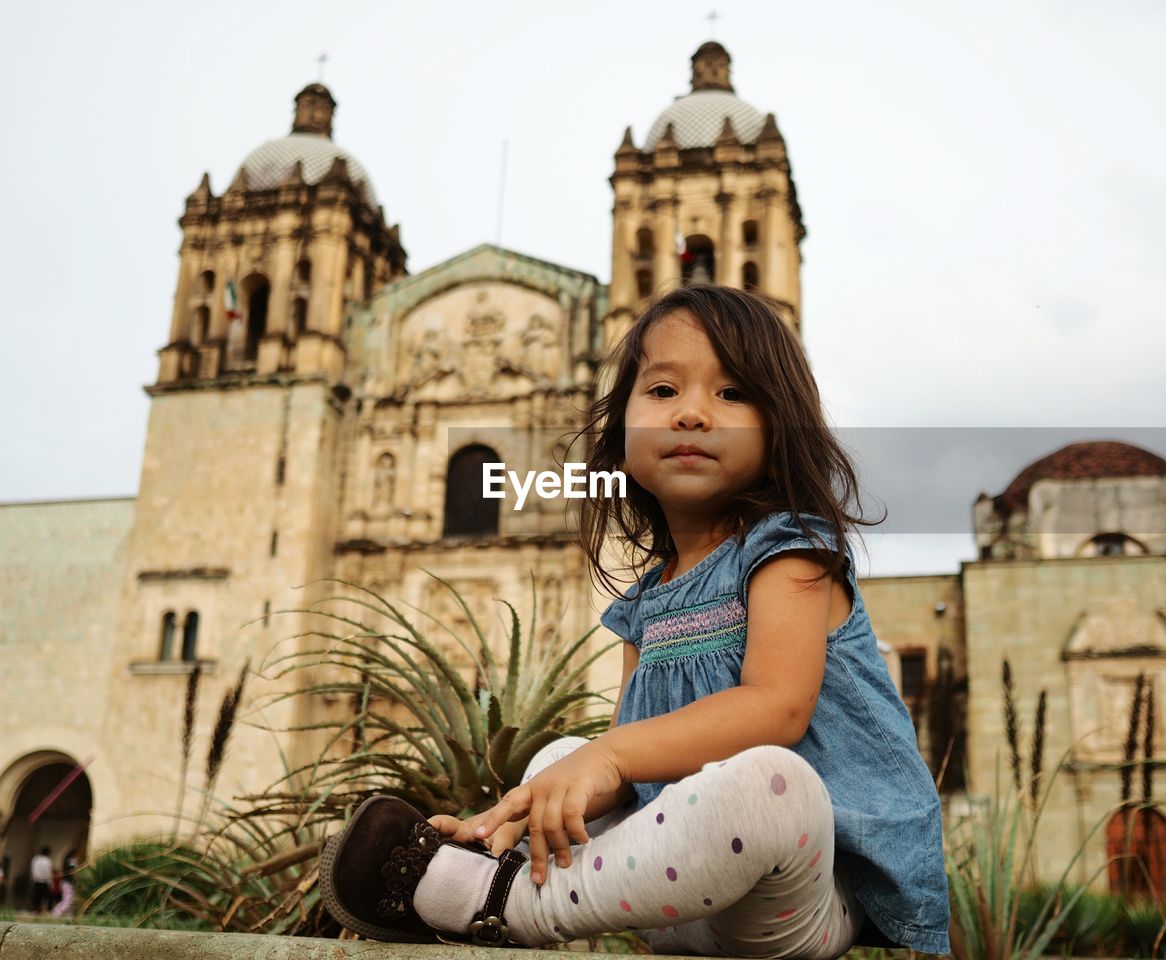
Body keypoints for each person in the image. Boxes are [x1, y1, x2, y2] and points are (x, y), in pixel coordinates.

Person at [319, 285, 952, 957]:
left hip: (803, 889)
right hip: (680, 894)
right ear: (620, 438)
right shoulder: (645, 603)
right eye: (662, 391)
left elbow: (778, 708)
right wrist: (505, 815)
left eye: (732, 395)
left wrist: (613, 753)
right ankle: (493, 867)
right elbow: (631, 758)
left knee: (775, 784)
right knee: (561, 761)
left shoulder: (792, 550)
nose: (693, 413)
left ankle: (498, 903)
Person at [28, 846, 53, 914]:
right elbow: (48, 872)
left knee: (36, 896)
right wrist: (50, 883)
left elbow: (33, 869)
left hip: (36, 880)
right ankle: (43, 910)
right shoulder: (47, 860)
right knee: (44, 897)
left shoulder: (36, 859)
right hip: (44, 881)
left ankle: (35, 910)